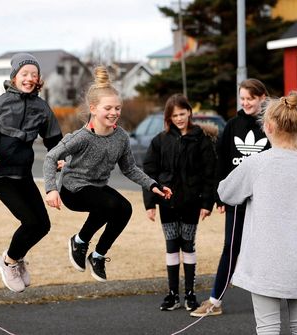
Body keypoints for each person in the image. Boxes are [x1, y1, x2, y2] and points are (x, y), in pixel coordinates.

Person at [43, 66, 172, 282]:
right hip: (73, 190)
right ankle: (80, 241)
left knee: (125, 209)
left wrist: (152, 184)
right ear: (93, 109)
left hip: (97, 189)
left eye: (118, 108)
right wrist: (51, 190)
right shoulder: (80, 137)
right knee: (109, 205)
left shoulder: (120, 137)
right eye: (108, 108)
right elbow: (50, 158)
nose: (114, 113)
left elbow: (129, 168)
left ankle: (98, 255)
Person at [217, 92, 297, 334]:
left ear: (267, 127)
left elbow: (225, 192)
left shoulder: (257, 164)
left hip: (264, 264)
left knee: (267, 327)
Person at [0, 53, 63, 293]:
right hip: (0, 175)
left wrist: (60, 158)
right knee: (30, 221)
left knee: (43, 225)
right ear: (14, 77)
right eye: (24, 74)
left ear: (38, 79)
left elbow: (55, 141)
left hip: (24, 175)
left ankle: (16, 259)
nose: (29, 78)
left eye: (34, 74)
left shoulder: (42, 108)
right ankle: (8, 262)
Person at [191, 78, 271, 317]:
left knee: (267, 248)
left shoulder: (271, 125)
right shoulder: (233, 126)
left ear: (262, 98)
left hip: (265, 201)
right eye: (243, 98)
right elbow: (222, 162)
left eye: (251, 99)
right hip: (238, 201)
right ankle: (215, 301)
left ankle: (275, 296)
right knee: (231, 248)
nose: (246, 103)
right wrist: (220, 196)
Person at [142, 94, 217, 312]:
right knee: (172, 246)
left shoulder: (200, 139)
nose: (179, 118)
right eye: (174, 115)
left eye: (182, 113)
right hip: (167, 203)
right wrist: (150, 203)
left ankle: (190, 293)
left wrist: (207, 203)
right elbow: (149, 172)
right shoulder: (160, 140)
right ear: (169, 117)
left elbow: (209, 174)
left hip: (192, 203)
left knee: (188, 245)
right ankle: (173, 294)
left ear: (190, 113)